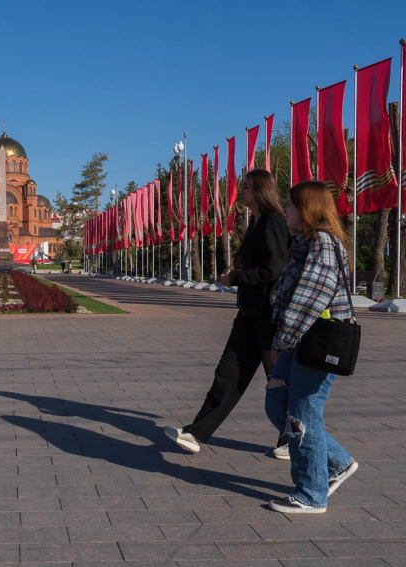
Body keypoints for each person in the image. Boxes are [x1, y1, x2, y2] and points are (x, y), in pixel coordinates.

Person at [165, 169, 291, 456]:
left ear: (260, 191)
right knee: (228, 374)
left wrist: (236, 277)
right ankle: (196, 434)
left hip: (268, 317)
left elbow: (275, 270)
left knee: (278, 380)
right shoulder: (256, 222)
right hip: (249, 314)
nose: (241, 192)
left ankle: (293, 440)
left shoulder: (273, 222)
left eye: (245, 187)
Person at [265, 181, 358, 514]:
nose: (285, 209)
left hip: (313, 341)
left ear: (308, 210)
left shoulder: (321, 244)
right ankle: (338, 462)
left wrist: (283, 340)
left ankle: (312, 493)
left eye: (290, 204)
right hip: (300, 340)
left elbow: (310, 299)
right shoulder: (306, 243)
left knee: (303, 413)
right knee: (278, 406)